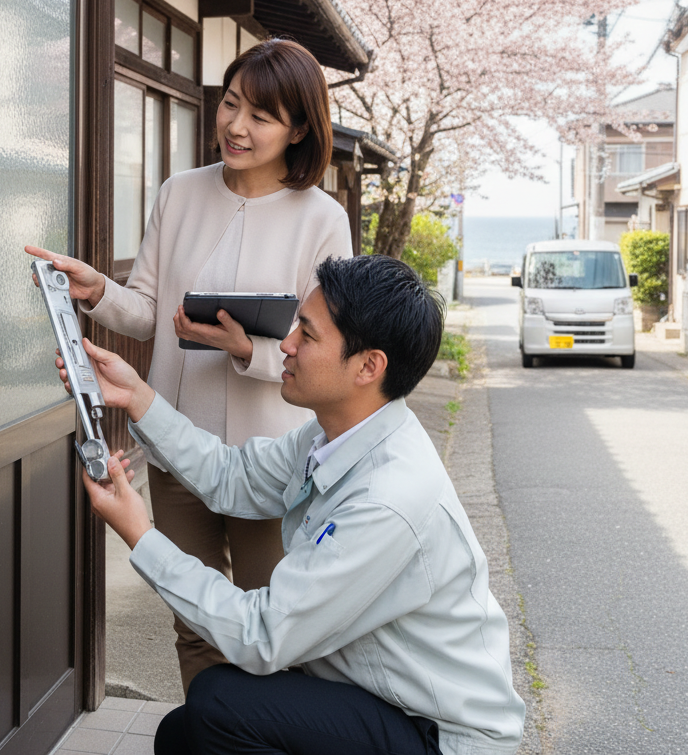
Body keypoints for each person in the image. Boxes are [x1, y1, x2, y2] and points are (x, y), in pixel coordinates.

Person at [61, 255, 526, 755]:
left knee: (217, 706)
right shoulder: (336, 433)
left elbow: (263, 635)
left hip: (438, 734)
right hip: (380, 699)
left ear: (369, 366)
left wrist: (140, 535)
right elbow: (232, 476)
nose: (285, 344)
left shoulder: (388, 497)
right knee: (184, 733)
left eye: (307, 334)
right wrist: (138, 397)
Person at [27, 39, 353, 691]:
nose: (236, 125)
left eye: (261, 116)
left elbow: (329, 348)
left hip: (271, 461)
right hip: (178, 450)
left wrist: (249, 350)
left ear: (298, 130)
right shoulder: (180, 193)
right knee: (194, 622)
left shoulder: (322, 218)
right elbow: (148, 311)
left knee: (272, 630)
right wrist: (98, 290)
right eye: (231, 104)